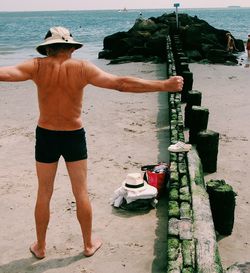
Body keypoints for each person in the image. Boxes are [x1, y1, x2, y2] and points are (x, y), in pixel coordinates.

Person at [0, 26, 183, 259]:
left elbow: (4, 73)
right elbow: (121, 83)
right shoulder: (82, 68)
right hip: (73, 136)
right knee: (81, 192)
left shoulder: (36, 66)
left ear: (48, 48)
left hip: (46, 135)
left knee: (44, 192)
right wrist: (163, 85)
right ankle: (87, 244)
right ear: (71, 48)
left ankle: (41, 247)